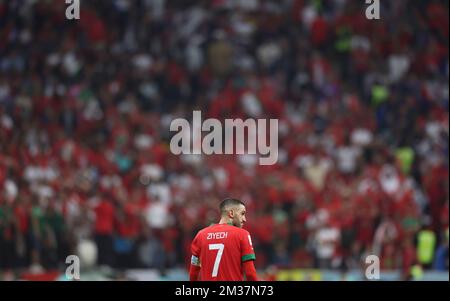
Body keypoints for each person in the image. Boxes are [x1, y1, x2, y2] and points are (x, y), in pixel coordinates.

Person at [189, 198, 258, 281]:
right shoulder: (242, 234)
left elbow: (193, 272)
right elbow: (250, 273)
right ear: (231, 213)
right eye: (242, 214)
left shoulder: (201, 235)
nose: (244, 219)